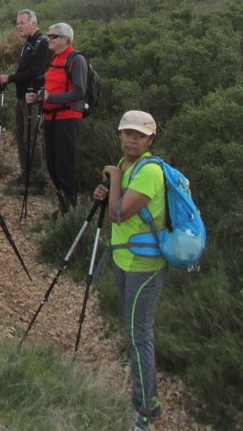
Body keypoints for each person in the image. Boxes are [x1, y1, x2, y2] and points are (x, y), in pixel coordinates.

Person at [94, 111, 166, 430]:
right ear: (120, 135)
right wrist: (107, 186)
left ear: (150, 139)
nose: (132, 140)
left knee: (139, 336)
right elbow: (114, 199)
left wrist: (113, 180)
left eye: (139, 135)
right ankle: (144, 400)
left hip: (145, 264)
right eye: (128, 134)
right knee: (133, 331)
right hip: (126, 259)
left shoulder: (149, 171)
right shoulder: (126, 166)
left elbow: (118, 214)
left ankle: (146, 410)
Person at [26, 23, 87, 216]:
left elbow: (79, 91)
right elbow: (52, 87)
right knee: (52, 165)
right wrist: (38, 96)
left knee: (63, 166)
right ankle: (63, 208)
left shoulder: (75, 59)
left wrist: (50, 98)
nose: (48, 39)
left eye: (53, 37)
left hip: (68, 119)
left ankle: (69, 213)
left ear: (65, 40)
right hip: (52, 117)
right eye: (48, 36)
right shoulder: (55, 59)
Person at [0, 10, 50, 195]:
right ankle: (26, 174)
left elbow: (36, 71)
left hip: (33, 96)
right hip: (21, 96)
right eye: (17, 23)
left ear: (34, 23)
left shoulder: (42, 43)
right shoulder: (28, 43)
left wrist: (10, 78)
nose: (18, 26)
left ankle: (37, 179)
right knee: (21, 135)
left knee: (32, 136)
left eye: (22, 23)